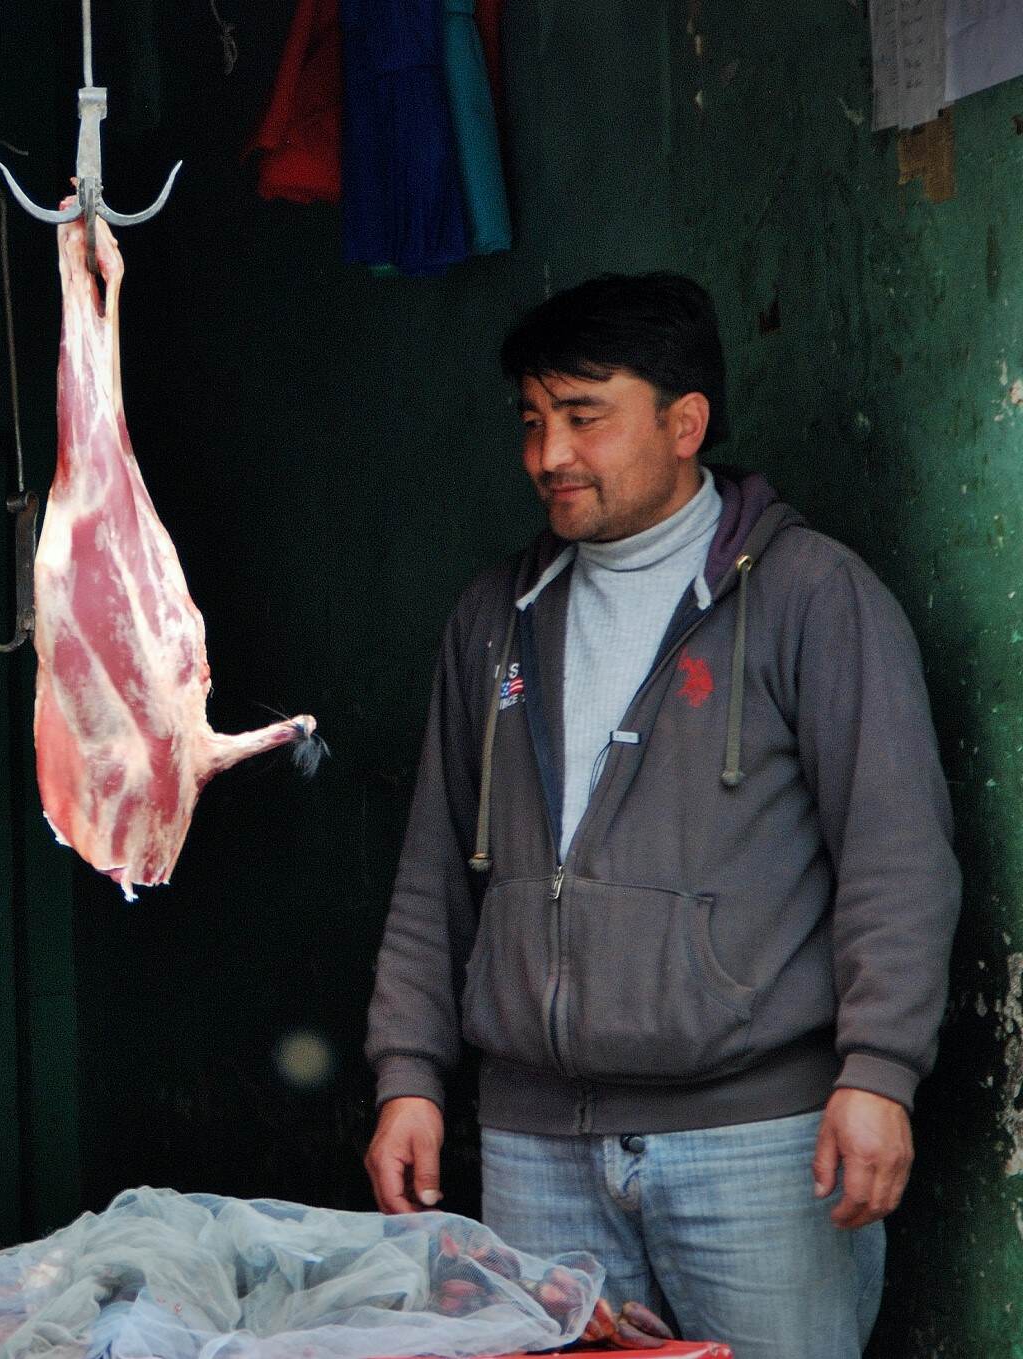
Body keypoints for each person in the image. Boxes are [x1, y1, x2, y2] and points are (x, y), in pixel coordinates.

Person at [362, 272, 960, 1357]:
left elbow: (896, 855)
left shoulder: (809, 597)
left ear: (684, 423)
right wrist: (408, 1077)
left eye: (585, 418)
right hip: (533, 1146)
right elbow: (434, 872)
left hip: (760, 1144)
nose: (550, 454)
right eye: (534, 422)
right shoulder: (492, 619)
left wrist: (877, 1073)